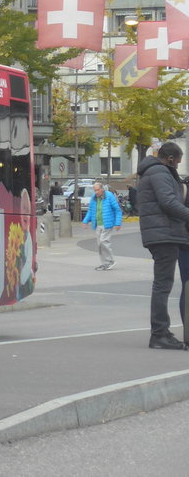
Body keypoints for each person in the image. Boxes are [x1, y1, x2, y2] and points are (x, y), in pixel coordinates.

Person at [135, 142, 189, 349]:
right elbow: (168, 202)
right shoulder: (160, 172)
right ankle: (159, 334)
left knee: (162, 284)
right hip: (164, 233)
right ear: (170, 158)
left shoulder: (155, 172)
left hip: (162, 232)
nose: (177, 165)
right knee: (163, 285)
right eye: (177, 162)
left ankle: (161, 332)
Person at [81, 181, 122, 270]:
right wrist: (85, 221)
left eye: (97, 190)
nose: (96, 192)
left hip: (107, 223)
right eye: (94, 190)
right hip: (98, 224)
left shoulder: (109, 196)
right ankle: (105, 263)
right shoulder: (94, 198)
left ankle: (110, 261)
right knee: (100, 245)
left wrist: (117, 223)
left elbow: (117, 210)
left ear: (102, 189)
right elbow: (91, 210)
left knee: (104, 241)